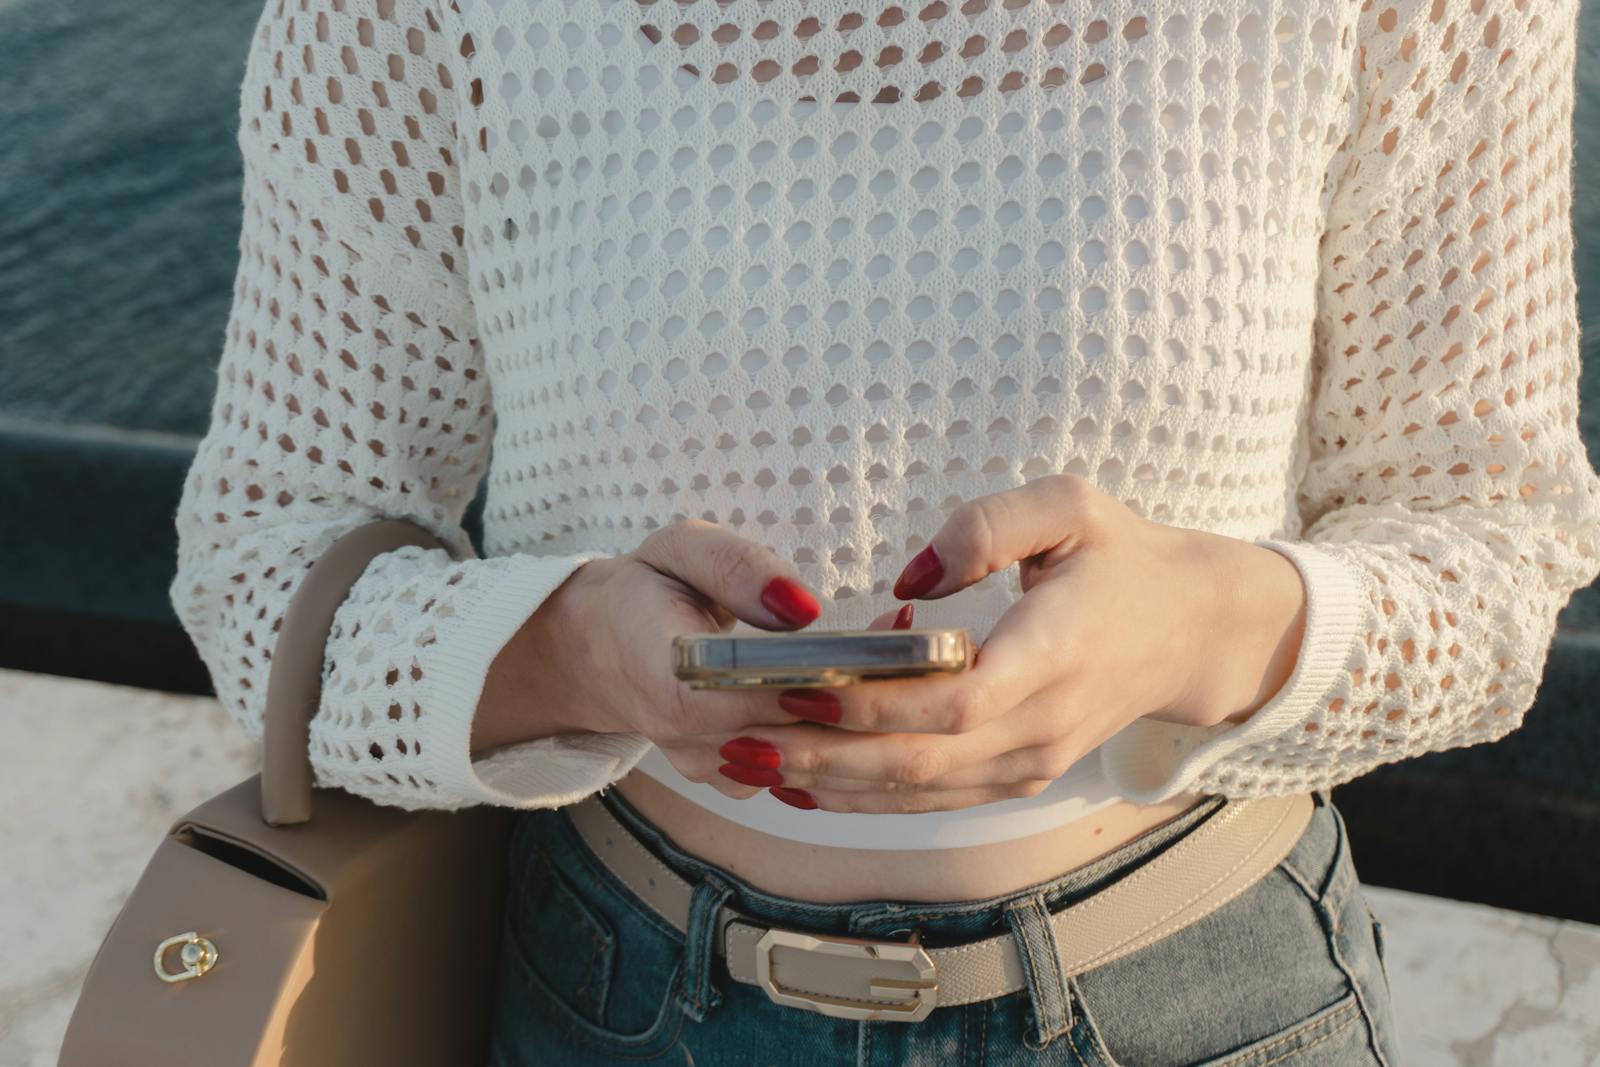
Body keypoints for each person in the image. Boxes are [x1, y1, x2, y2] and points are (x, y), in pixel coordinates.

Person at [170, 0, 1600, 1061]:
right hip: (614, 1000)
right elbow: (267, 556)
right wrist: (577, 656)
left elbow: (1495, 542)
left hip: (1206, 999)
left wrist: (1190, 625)